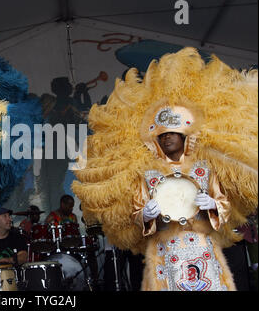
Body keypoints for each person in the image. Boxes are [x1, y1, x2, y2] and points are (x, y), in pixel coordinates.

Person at [72, 48, 258, 291]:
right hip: (164, 253)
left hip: (203, 251)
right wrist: (147, 214)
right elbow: (137, 215)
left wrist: (212, 205)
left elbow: (224, 209)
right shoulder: (148, 176)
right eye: (162, 135)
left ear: (185, 136)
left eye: (173, 134)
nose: (167, 138)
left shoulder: (204, 170)